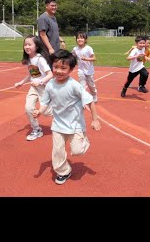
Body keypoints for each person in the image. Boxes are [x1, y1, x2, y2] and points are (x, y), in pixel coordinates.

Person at [32, 49, 101, 185]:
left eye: (63, 68)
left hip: (75, 124)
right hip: (58, 124)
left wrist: (95, 119)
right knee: (57, 151)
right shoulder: (50, 85)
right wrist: (40, 111)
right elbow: (45, 102)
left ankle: (83, 141)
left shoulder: (74, 85)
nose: (59, 71)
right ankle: (64, 171)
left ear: (70, 70)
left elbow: (90, 101)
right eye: (56, 67)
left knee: (77, 151)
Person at [14, 35, 53, 141]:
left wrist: (40, 81)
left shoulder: (40, 60)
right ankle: (36, 129)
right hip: (34, 88)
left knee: (45, 112)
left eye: (29, 44)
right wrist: (21, 82)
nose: (27, 47)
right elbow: (31, 74)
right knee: (28, 108)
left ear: (36, 46)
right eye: (25, 44)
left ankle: (63, 114)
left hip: (43, 88)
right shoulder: (29, 59)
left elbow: (50, 74)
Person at [72, 31, 98, 103]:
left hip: (89, 71)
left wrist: (86, 59)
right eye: (78, 38)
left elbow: (94, 58)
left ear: (85, 40)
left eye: (82, 38)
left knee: (91, 86)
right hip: (81, 70)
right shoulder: (75, 49)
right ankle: (83, 98)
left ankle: (94, 95)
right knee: (81, 85)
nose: (80, 39)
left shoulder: (88, 48)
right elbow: (72, 56)